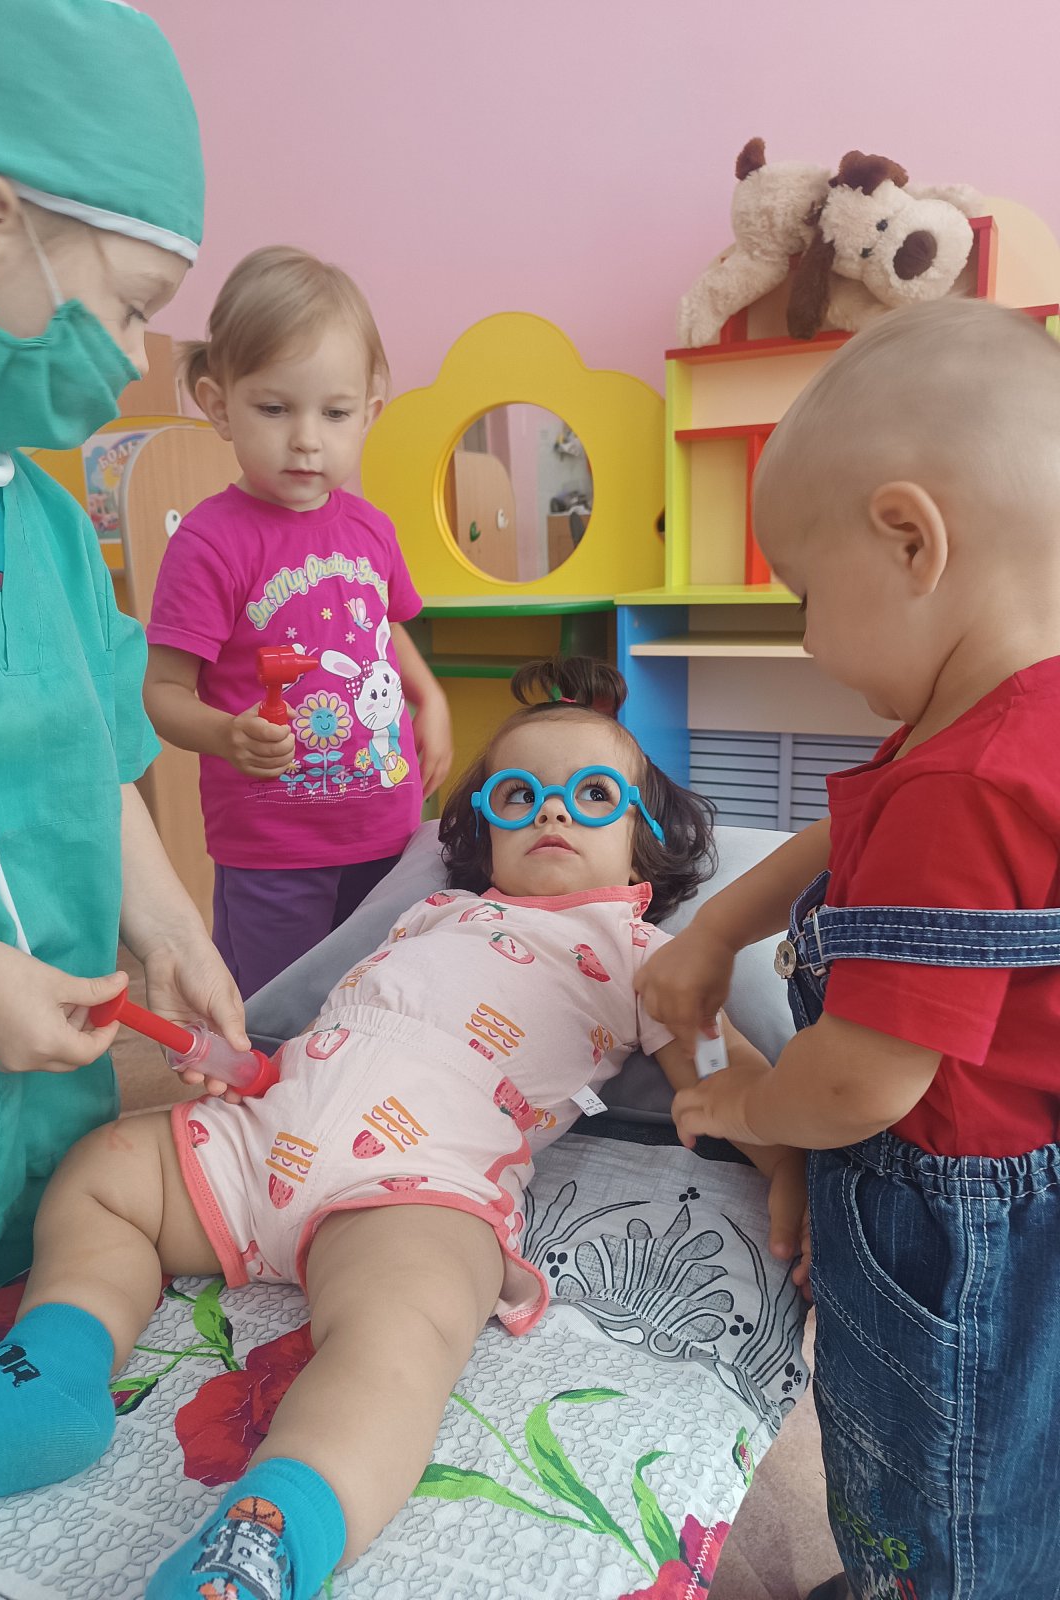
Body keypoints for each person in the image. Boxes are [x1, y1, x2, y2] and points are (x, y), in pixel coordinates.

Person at [0, 657, 805, 1600]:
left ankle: (268, 1539)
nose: (551, 812)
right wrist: (256, 1069)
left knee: (402, 1338)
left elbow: (721, 1070)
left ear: (643, 847)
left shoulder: (644, 954)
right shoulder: (431, 911)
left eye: (592, 795)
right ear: (482, 835)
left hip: (415, 1190)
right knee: (104, 1172)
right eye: (518, 796)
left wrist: (786, 1162)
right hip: (264, 1140)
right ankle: (51, 1369)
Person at [636, 300, 1060, 1600]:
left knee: (939, 1483)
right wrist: (719, 923)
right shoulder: (998, 723)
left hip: (951, 1221)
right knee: (1015, 1471)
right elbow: (843, 836)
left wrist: (743, 1106)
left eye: (806, 596)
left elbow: (866, 1079)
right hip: (1011, 1191)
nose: (808, 640)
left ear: (910, 538)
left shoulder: (962, 784)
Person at [0, 0, 247, 1385]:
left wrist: (168, 922)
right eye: (132, 304)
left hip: (42, 1135)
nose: (140, 357)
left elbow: (95, 757)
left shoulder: (38, 517)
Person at [143, 246, 453, 1001]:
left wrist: (431, 697)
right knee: (278, 1009)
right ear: (220, 405)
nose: (307, 438)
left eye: (335, 413)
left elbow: (384, 628)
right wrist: (225, 733)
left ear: (368, 414)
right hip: (273, 847)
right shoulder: (210, 542)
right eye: (275, 409)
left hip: (387, 827)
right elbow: (161, 692)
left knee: (377, 997)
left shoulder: (371, 529)